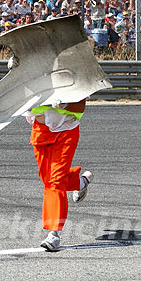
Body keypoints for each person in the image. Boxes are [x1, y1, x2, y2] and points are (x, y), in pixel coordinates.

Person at [24, 98, 93, 251]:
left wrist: (66, 104)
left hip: (66, 130)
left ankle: (54, 234)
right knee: (48, 180)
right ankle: (80, 183)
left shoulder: (69, 74)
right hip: (40, 131)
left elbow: (81, 105)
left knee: (55, 182)